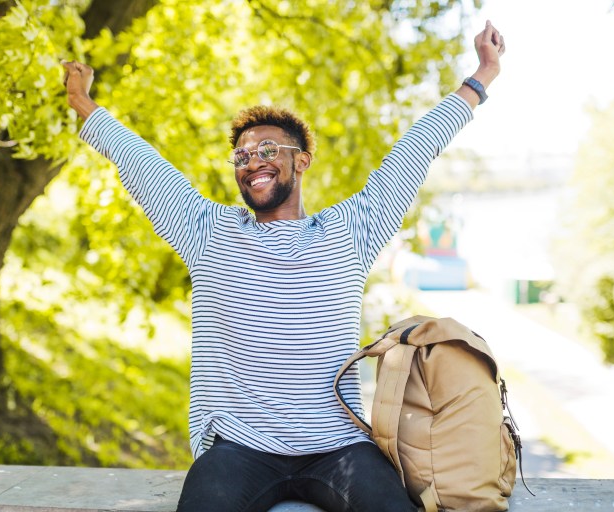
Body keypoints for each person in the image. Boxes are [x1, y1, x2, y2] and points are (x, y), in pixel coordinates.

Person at [63, 20, 505, 512]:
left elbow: (415, 149)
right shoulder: (208, 231)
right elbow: (140, 161)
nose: (253, 161)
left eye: (268, 150)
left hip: (339, 447)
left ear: (303, 161)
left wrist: (482, 76)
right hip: (239, 447)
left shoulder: (351, 229)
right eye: (242, 156)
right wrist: (84, 104)